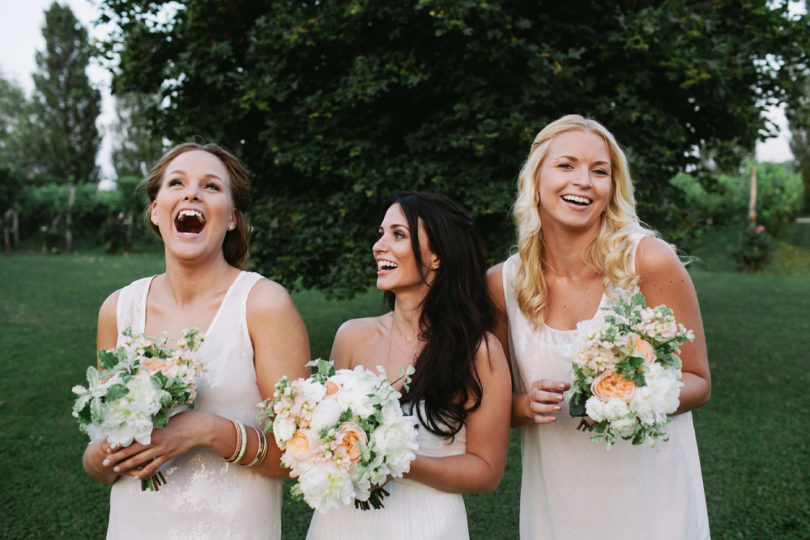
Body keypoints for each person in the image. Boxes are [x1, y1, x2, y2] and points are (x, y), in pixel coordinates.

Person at [487, 115, 711, 539]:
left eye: (600, 171)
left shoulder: (649, 261)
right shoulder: (502, 284)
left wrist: (636, 396)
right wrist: (525, 406)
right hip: (560, 502)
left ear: (611, 190)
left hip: (653, 498)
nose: (584, 181)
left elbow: (698, 379)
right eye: (566, 165)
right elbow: (495, 405)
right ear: (535, 180)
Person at [81, 142, 311, 539]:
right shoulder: (117, 310)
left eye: (211, 186)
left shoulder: (264, 304)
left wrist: (207, 431)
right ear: (156, 210)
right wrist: (105, 453)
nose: (192, 194)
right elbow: (98, 462)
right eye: (177, 183)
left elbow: (302, 456)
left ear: (233, 219)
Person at [306, 191, 512, 540]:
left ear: (437, 257)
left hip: (427, 524)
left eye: (398, 235)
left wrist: (398, 464)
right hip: (341, 524)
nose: (379, 246)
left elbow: (487, 470)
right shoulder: (351, 337)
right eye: (381, 233)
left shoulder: (478, 351)